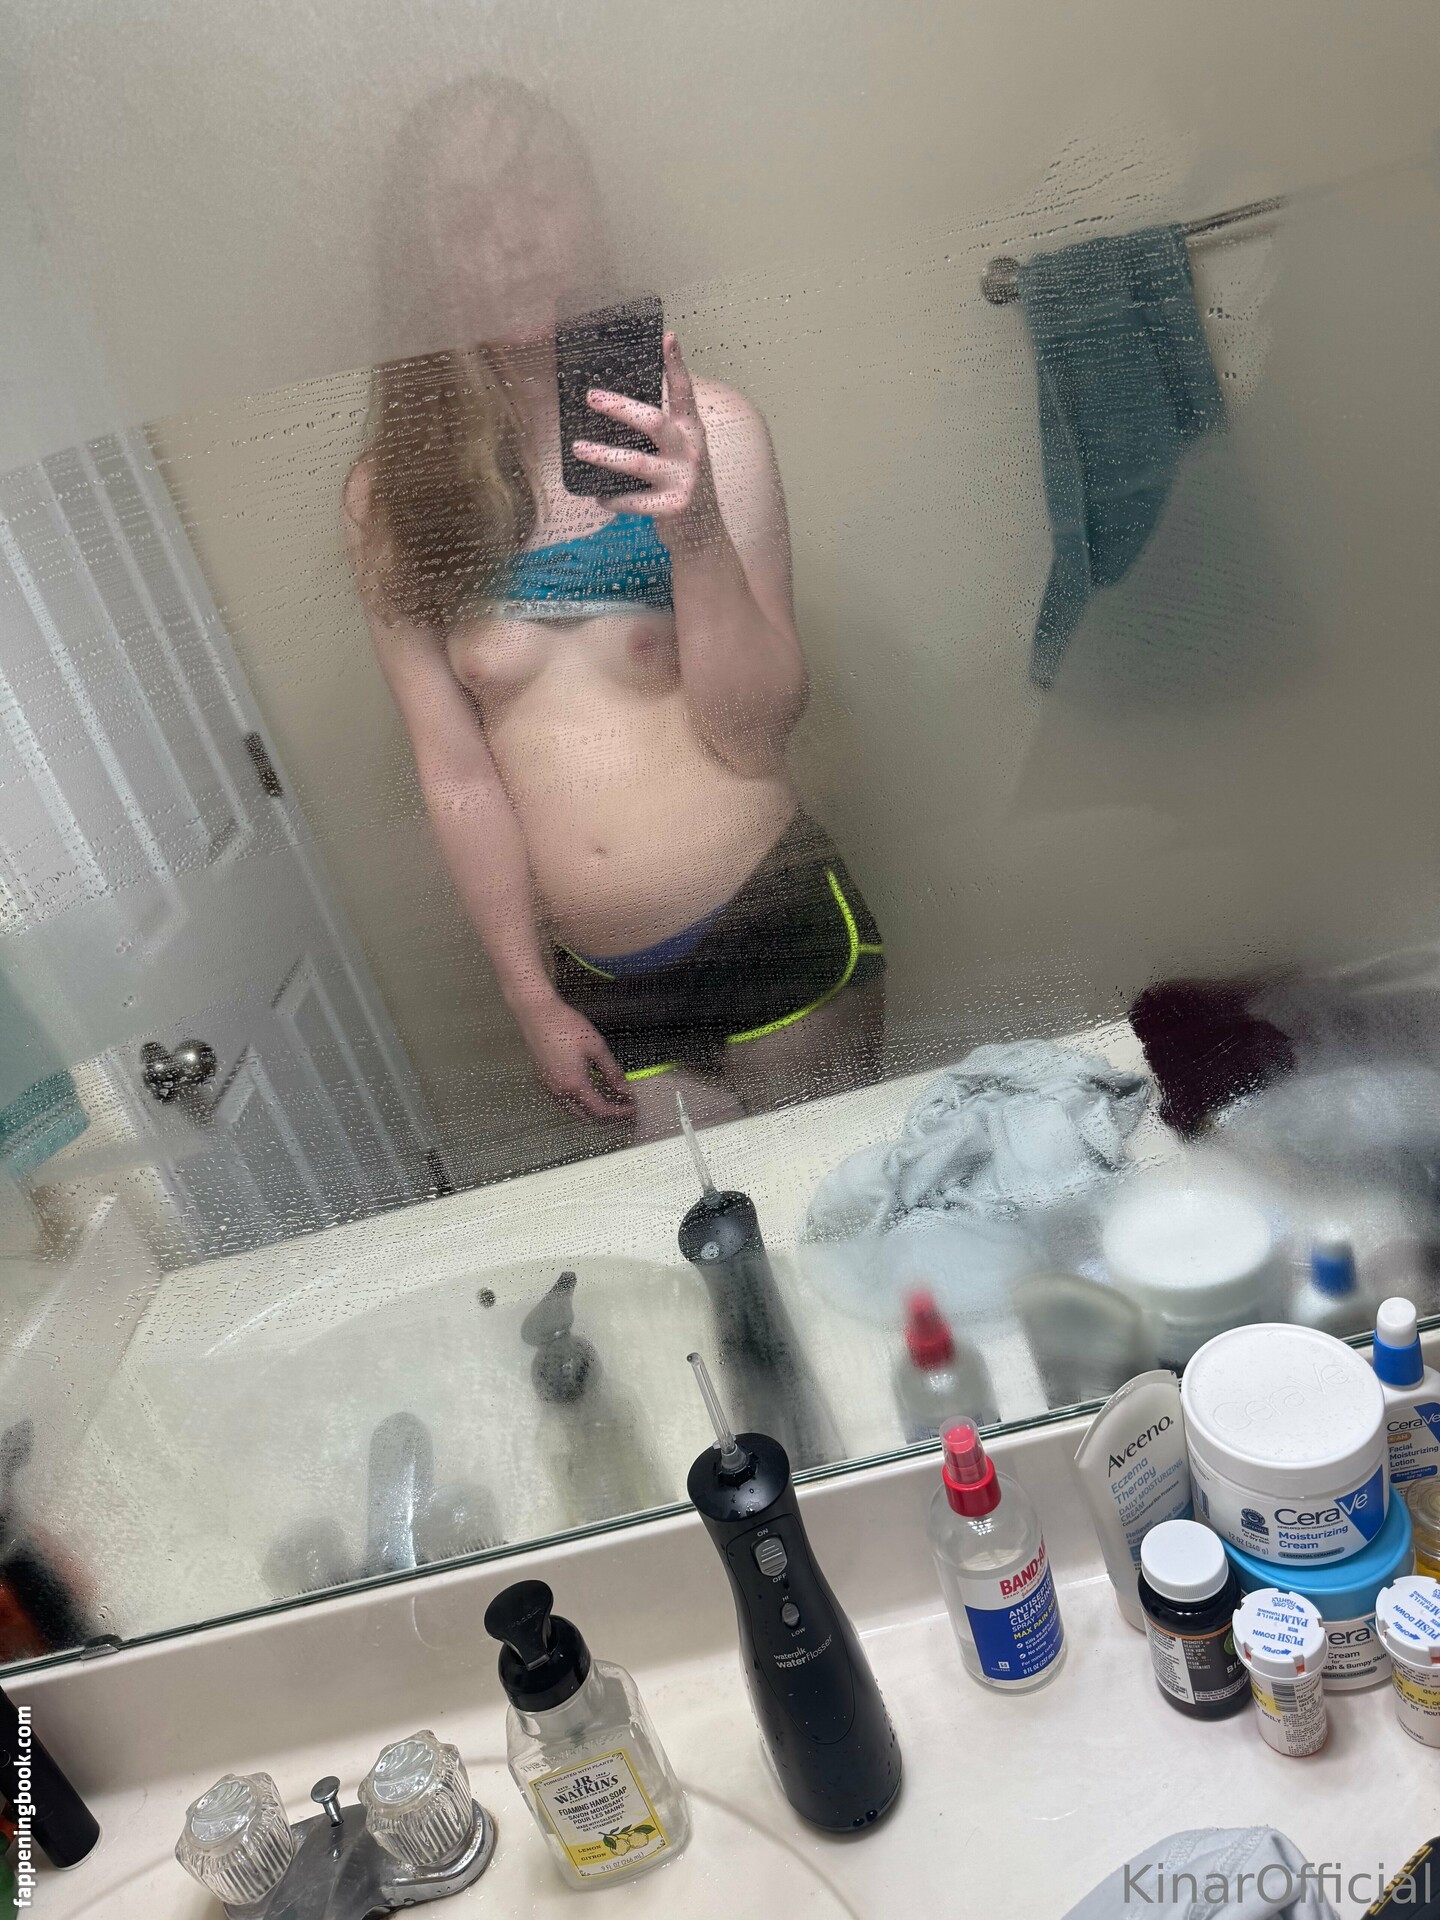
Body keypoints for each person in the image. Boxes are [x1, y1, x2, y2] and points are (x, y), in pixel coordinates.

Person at [344, 77, 883, 1141]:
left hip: (770, 921)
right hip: (598, 985)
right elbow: (456, 773)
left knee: (839, 1212)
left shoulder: (715, 429)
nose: (512, 238)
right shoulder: (393, 495)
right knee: (686, 1246)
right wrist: (528, 998)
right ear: (424, 262)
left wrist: (696, 533)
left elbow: (756, 732)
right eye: (466, 214)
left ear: (591, 210)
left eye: (538, 191)